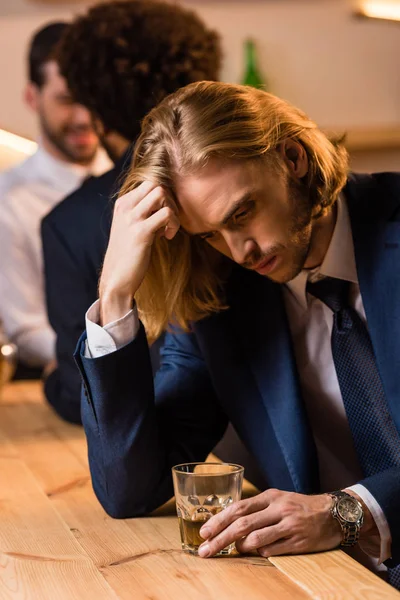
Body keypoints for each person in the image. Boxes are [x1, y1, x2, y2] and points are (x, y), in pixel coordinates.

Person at [76, 82, 400, 587]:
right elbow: (130, 489)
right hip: (335, 582)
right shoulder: (222, 301)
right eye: (208, 234)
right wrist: (116, 295)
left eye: (241, 213)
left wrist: (348, 512)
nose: (238, 251)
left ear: (292, 158)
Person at [41, 0, 221, 423]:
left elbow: (81, 391)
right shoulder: (228, 186)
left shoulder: (67, 224)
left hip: (153, 439)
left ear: (96, 109)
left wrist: (52, 384)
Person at [0, 22, 110, 376]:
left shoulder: (132, 176)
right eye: (66, 100)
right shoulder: (9, 201)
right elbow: (25, 328)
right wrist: (105, 357)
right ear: (33, 97)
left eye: (93, 99)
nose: (84, 117)